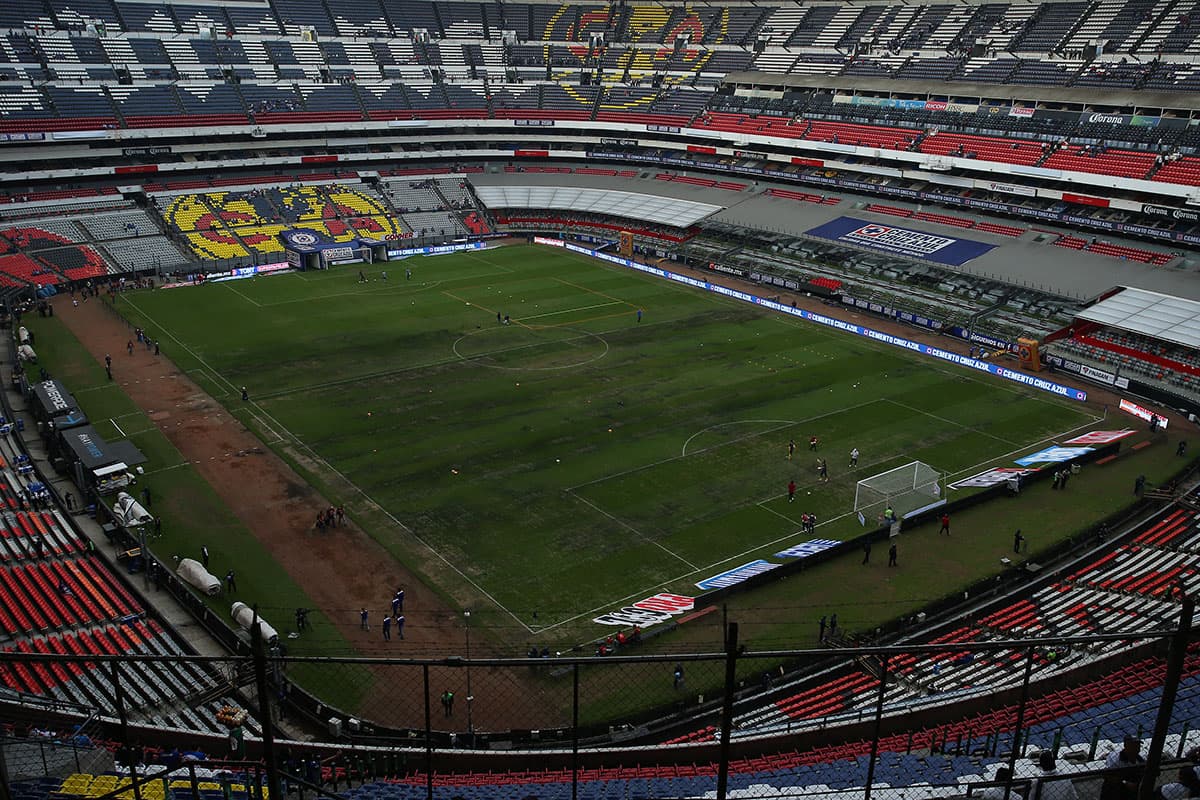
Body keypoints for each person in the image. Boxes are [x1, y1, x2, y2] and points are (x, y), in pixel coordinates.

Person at [1101, 736, 1145, 800]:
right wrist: (1125, 782)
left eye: (1138, 745)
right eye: (1133, 746)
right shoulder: (1116, 761)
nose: (1136, 748)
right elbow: (1106, 775)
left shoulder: (1141, 759)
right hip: (1115, 786)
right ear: (1125, 746)